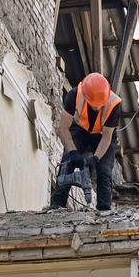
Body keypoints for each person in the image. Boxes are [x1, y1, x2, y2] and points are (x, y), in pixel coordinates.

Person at [50, 73, 122, 211]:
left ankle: (104, 209)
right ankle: (57, 204)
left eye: (100, 105)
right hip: (80, 129)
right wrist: (73, 152)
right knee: (67, 161)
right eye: (94, 105)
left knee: (104, 169)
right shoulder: (74, 95)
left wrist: (95, 158)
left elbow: (107, 137)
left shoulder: (114, 103)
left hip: (103, 135)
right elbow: (63, 129)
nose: (97, 108)